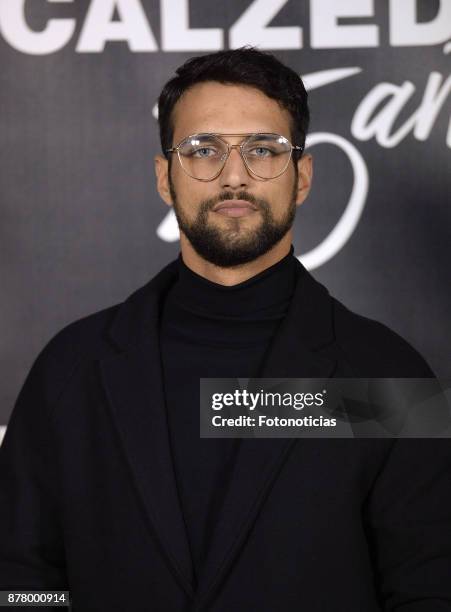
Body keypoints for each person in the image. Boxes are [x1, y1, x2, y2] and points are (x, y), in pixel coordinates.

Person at [0, 47, 450, 612]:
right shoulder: (70, 370)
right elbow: (21, 580)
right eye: (203, 150)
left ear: (303, 176)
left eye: (263, 150)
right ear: (166, 178)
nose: (234, 176)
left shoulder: (388, 374)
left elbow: (430, 588)